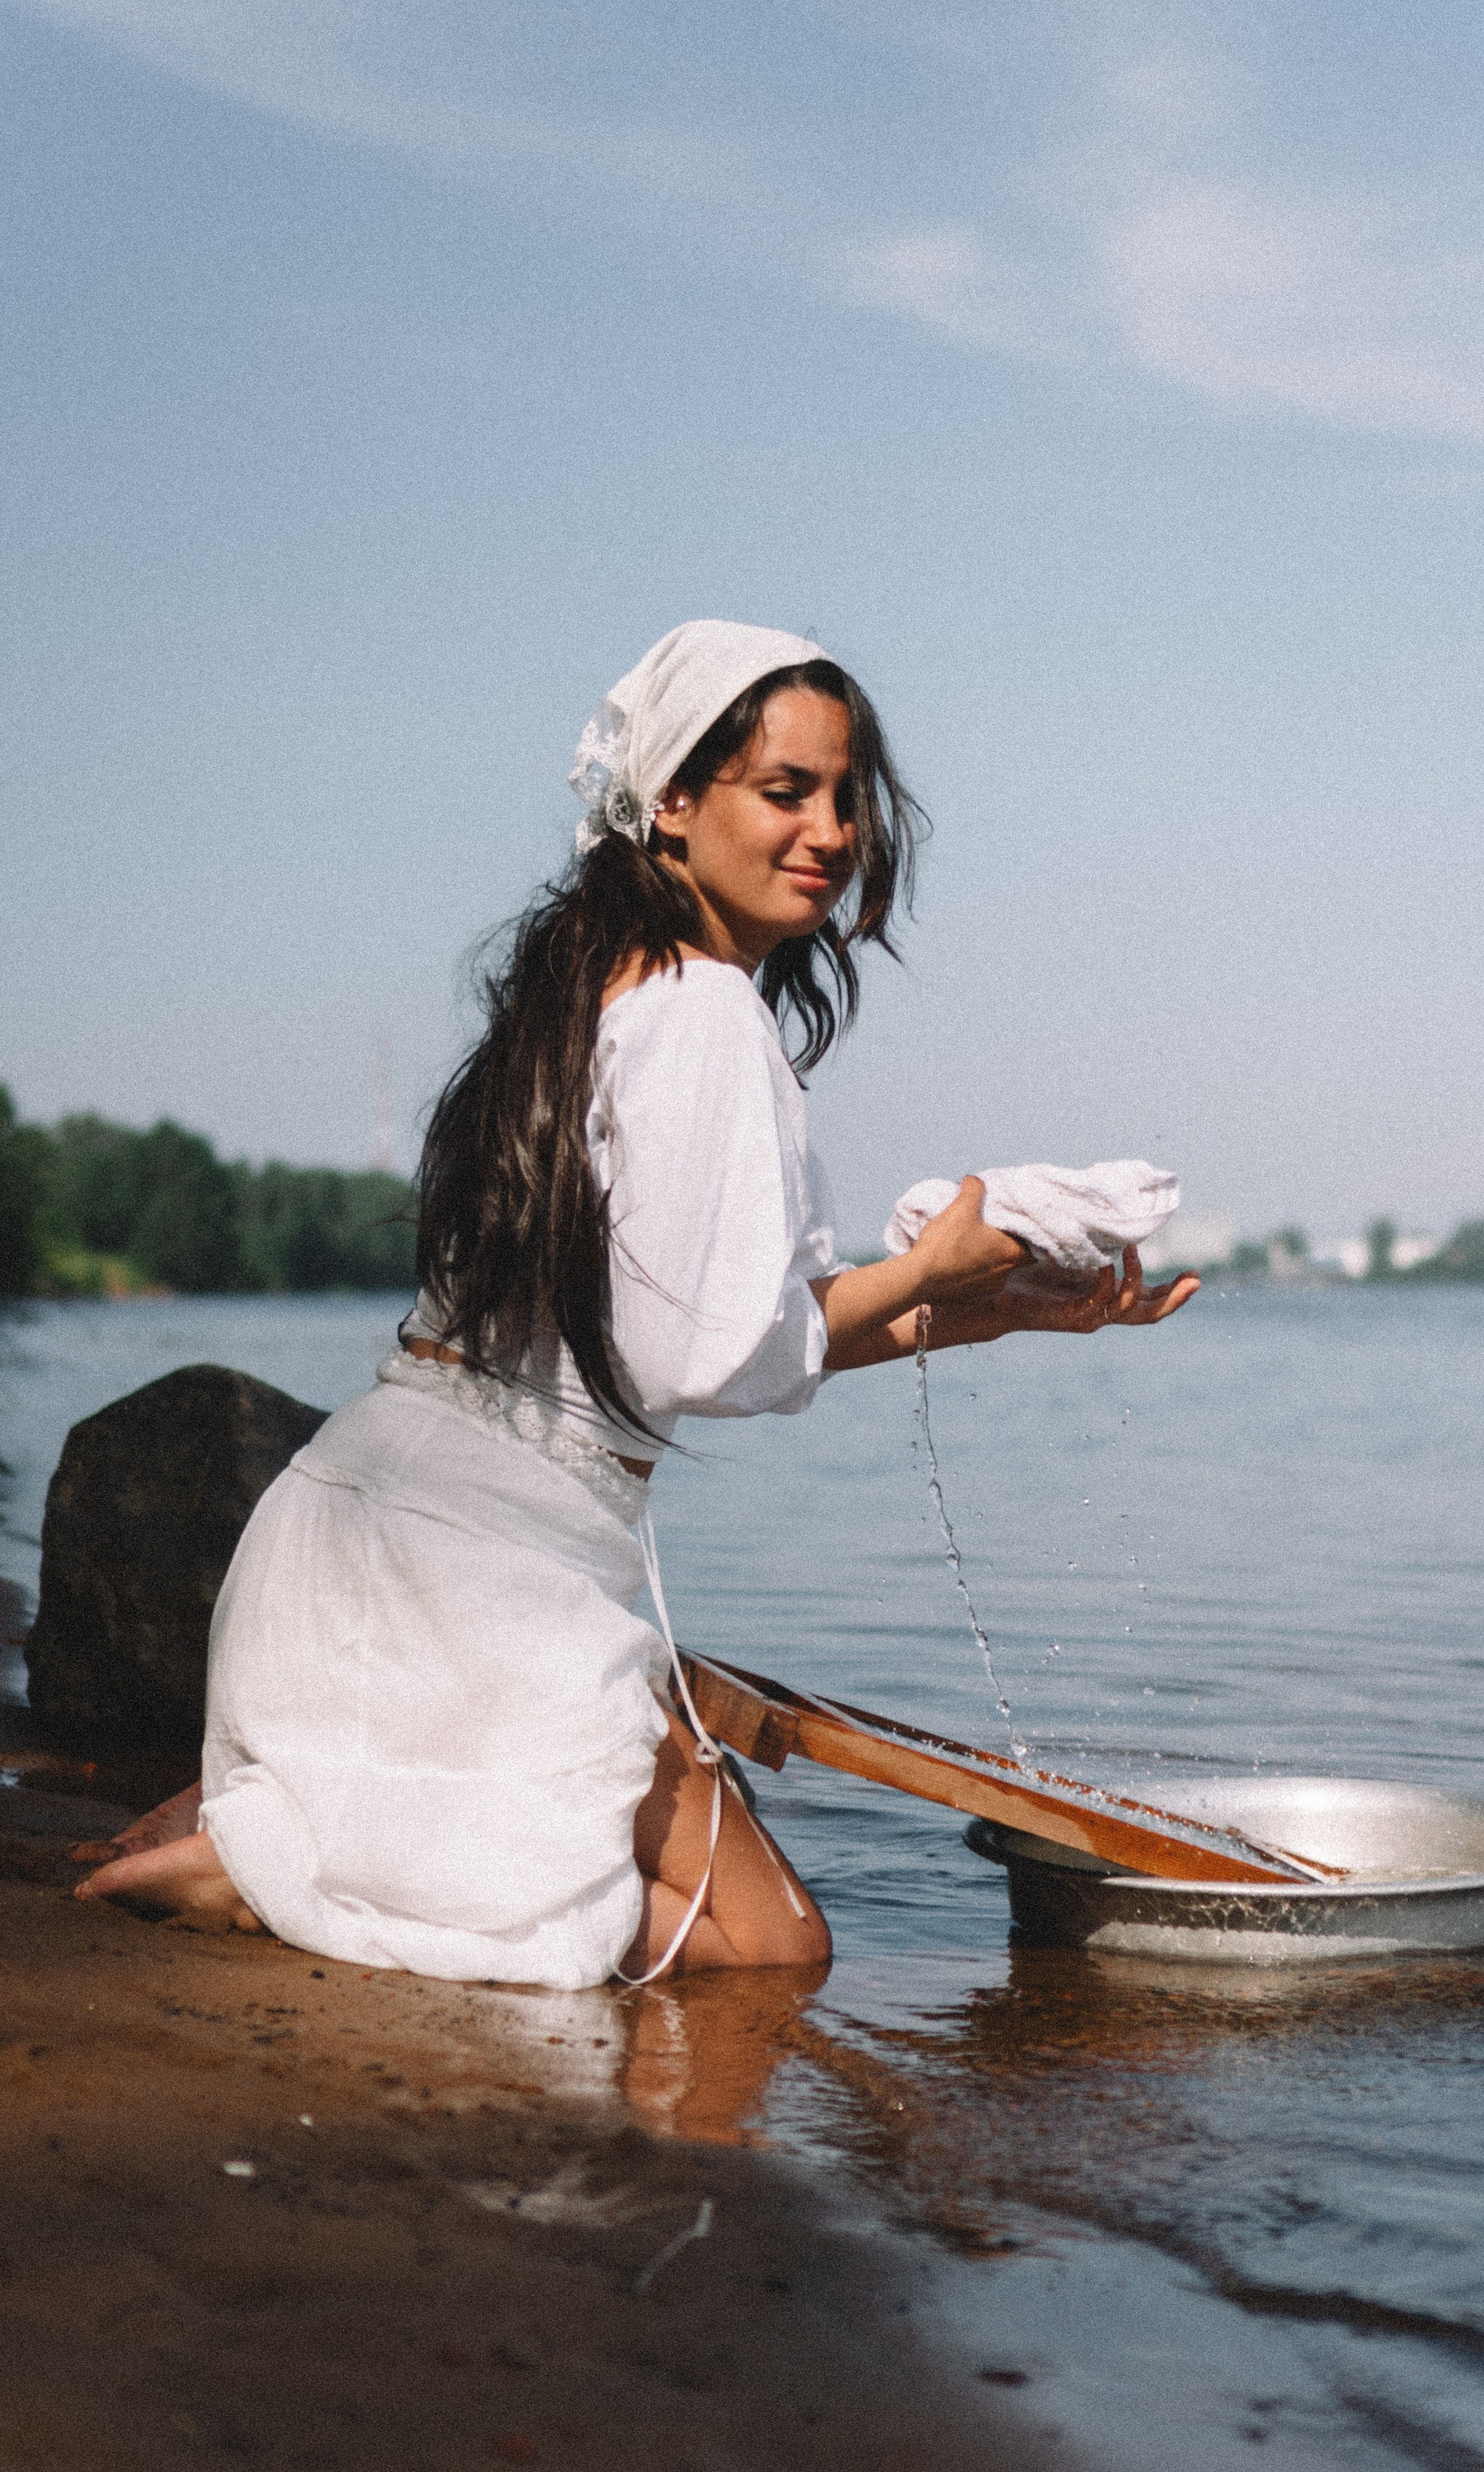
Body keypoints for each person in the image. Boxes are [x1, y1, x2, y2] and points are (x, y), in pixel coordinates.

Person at [78, 622, 1199, 1983]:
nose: (832, 832)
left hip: (364, 1533)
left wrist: (993, 1307)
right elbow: (704, 1358)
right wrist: (921, 1274)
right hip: (478, 1575)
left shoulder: (600, 982)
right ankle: (269, 1863)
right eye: (785, 791)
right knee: (770, 1951)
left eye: (845, 797)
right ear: (671, 800)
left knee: (680, 1910)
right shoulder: (703, 1008)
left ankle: (302, 1824)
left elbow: (707, 1335)